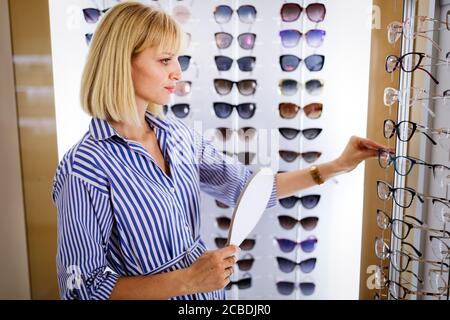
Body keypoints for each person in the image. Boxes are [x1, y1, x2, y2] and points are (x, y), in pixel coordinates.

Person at [51, 2, 389, 300]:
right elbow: (82, 288)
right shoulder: (84, 168)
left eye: (179, 59)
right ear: (122, 62)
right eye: (165, 59)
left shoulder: (176, 135)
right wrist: (186, 281)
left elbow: (246, 186)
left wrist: (335, 167)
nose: (178, 72)